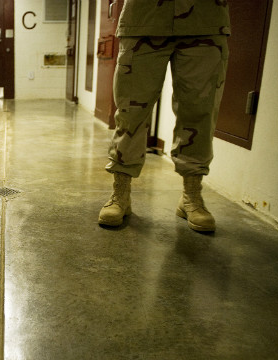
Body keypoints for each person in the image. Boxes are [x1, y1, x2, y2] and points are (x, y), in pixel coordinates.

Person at [98, 0, 230, 232]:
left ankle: (192, 195)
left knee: (200, 111)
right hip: (143, 18)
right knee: (131, 111)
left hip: (205, 19)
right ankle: (120, 193)